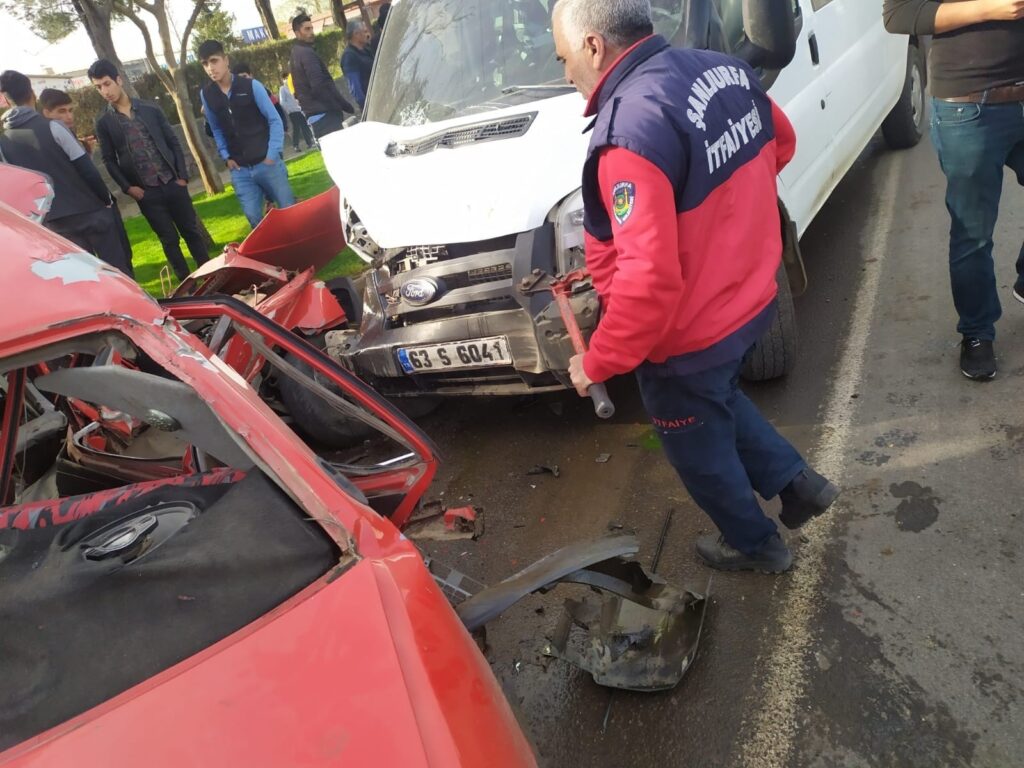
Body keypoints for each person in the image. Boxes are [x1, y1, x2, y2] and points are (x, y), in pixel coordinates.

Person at [552, 0, 839, 573]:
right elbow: (778, 144)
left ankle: (755, 545)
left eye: (563, 58)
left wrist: (600, 362)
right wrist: (724, 232)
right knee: (720, 396)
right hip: (748, 297)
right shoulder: (721, 68)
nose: (565, 74)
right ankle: (797, 484)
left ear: (592, 46)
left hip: (686, 335)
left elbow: (647, 280)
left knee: (698, 451)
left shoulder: (629, 131)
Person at [883, 1, 1024, 381]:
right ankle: (977, 334)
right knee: (973, 232)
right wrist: (992, 8)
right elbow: (898, 15)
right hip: (970, 105)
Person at [0, 70, 133, 276]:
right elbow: (86, 169)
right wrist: (105, 199)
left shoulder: (3, 145)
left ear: (6, 101)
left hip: (54, 225)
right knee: (119, 271)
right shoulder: (54, 127)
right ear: (32, 95)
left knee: (86, 278)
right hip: (90, 210)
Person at [89, 59, 207, 282]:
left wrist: (182, 176)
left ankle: (211, 276)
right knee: (169, 239)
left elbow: (173, 142)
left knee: (191, 232)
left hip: (173, 183)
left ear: (118, 80)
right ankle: (188, 286)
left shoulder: (150, 109)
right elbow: (108, 160)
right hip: (146, 192)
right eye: (98, 87)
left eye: (107, 84)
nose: (104, 91)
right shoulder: (104, 122)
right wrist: (128, 188)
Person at [198, 40, 295, 230]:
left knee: (288, 211)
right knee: (253, 217)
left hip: (267, 162)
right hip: (240, 169)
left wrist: (272, 154)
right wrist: (226, 157)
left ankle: (301, 250)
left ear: (226, 60)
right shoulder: (207, 94)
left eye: (214, 61)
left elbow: (274, 120)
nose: (210, 68)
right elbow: (216, 128)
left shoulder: (252, 86)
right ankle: (272, 255)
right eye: (205, 64)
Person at [38, 87, 133, 268]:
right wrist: (106, 201)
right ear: (46, 113)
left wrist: (87, 153)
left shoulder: (68, 135)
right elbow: (81, 174)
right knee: (108, 265)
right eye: (61, 111)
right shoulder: (50, 137)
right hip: (86, 212)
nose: (68, 116)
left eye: (70, 110)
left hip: (90, 209)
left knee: (123, 256)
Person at [289, 12, 356, 140]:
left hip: (314, 116)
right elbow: (319, 85)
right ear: (297, 33)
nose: (311, 32)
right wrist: (341, 104)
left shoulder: (295, 53)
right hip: (325, 115)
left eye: (312, 28)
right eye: (307, 29)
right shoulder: (306, 54)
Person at [341, 20, 374, 108]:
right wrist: (367, 107)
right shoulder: (349, 57)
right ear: (356, 34)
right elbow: (355, 88)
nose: (368, 34)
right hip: (371, 105)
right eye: (365, 31)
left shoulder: (366, 49)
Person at [280, 70, 314, 152]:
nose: (287, 80)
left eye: (288, 78)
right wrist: (289, 109)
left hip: (300, 109)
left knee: (305, 126)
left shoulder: (295, 86)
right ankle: (296, 145)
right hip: (292, 112)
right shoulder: (283, 89)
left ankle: (309, 143)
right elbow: (282, 102)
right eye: (285, 78)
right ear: (283, 80)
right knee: (296, 128)